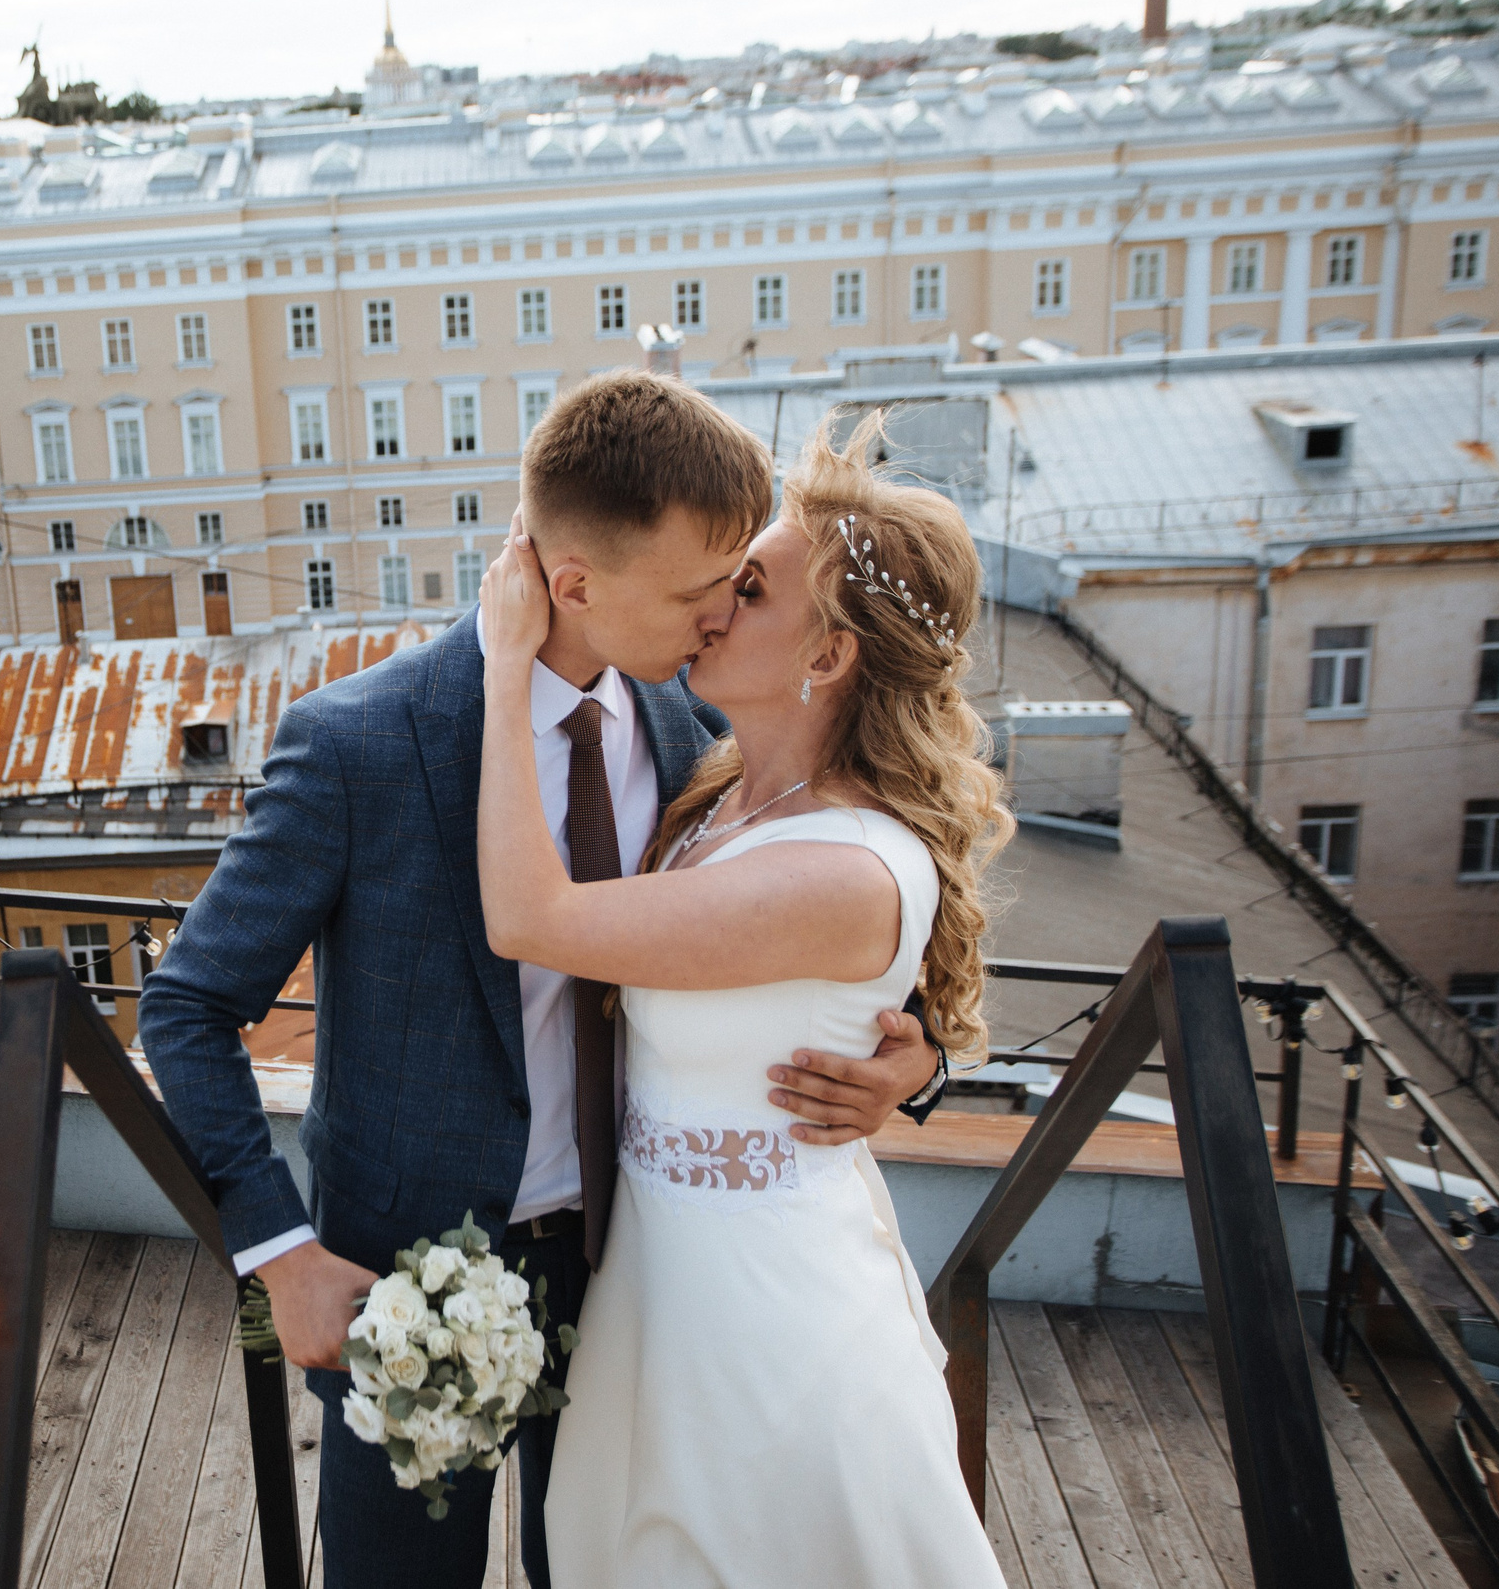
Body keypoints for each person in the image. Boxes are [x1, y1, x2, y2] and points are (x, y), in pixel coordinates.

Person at [138, 373, 951, 1589]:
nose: (720, 616)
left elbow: (810, 920)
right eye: (696, 591)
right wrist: (278, 1252)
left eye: (739, 585)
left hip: (636, 1273)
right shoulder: (355, 743)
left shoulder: (693, 734)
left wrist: (915, 1059)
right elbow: (186, 1007)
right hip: (397, 1279)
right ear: (574, 585)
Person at [473, 415, 1013, 1587]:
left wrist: (502, 658)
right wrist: (905, 1061)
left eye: (749, 589)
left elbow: (532, 919)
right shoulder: (719, 785)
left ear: (825, 659)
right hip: (655, 1281)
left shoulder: (838, 865)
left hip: (768, 1319)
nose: (712, 607)